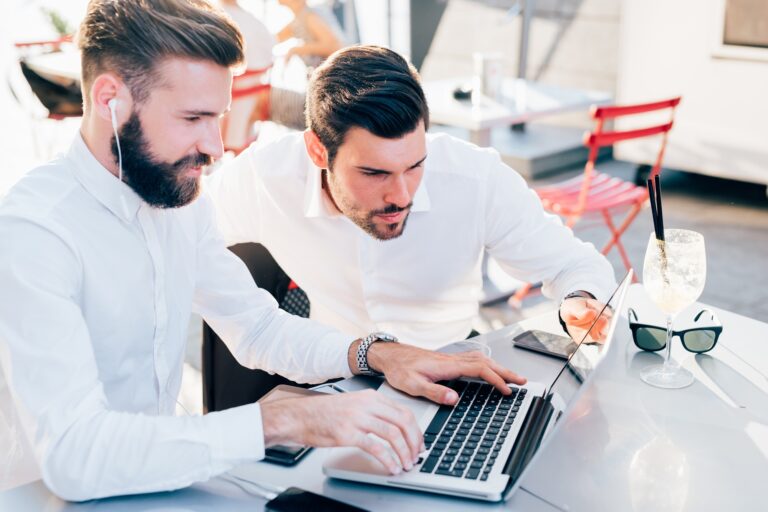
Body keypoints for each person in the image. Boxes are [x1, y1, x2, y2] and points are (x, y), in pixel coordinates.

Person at [0, 1, 525, 501]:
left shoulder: (176, 201)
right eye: (193, 119)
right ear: (111, 98)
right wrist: (279, 420)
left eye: (219, 116)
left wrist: (377, 353)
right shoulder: (37, 232)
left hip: (162, 483)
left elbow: (255, 328)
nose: (215, 144)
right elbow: (73, 455)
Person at [204, 45, 617, 399]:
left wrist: (580, 298)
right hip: (332, 376)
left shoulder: (475, 178)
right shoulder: (265, 178)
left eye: (415, 165)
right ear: (317, 151)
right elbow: (180, 229)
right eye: (374, 173)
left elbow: (573, 265)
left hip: (456, 374)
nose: (402, 196)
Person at [277, 0, 343, 69]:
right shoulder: (298, 20)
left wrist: (297, 50)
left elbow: (333, 46)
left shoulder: (309, 17)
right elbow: (273, 39)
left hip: (337, 71)